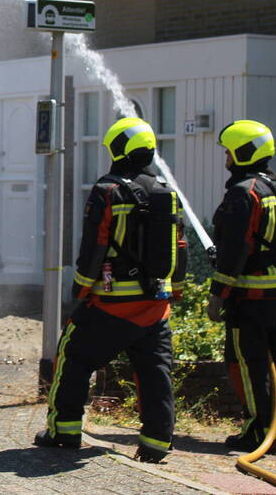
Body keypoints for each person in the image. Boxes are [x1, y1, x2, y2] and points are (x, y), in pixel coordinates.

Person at [34, 116, 186, 463]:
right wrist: (174, 289)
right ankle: (157, 444)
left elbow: (95, 245)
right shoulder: (166, 192)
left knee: (72, 358)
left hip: (112, 304)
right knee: (155, 374)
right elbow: (180, 245)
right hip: (155, 307)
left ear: (120, 150)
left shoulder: (108, 190)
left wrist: (81, 289)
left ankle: (64, 431)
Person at [207, 120, 276, 455]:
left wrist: (218, 294)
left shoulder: (243, 192)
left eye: (230, 152)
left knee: (247, 362)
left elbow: (235, 251)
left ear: (244, 153)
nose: (227, 158)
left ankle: (258, 429)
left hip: (253, 294)